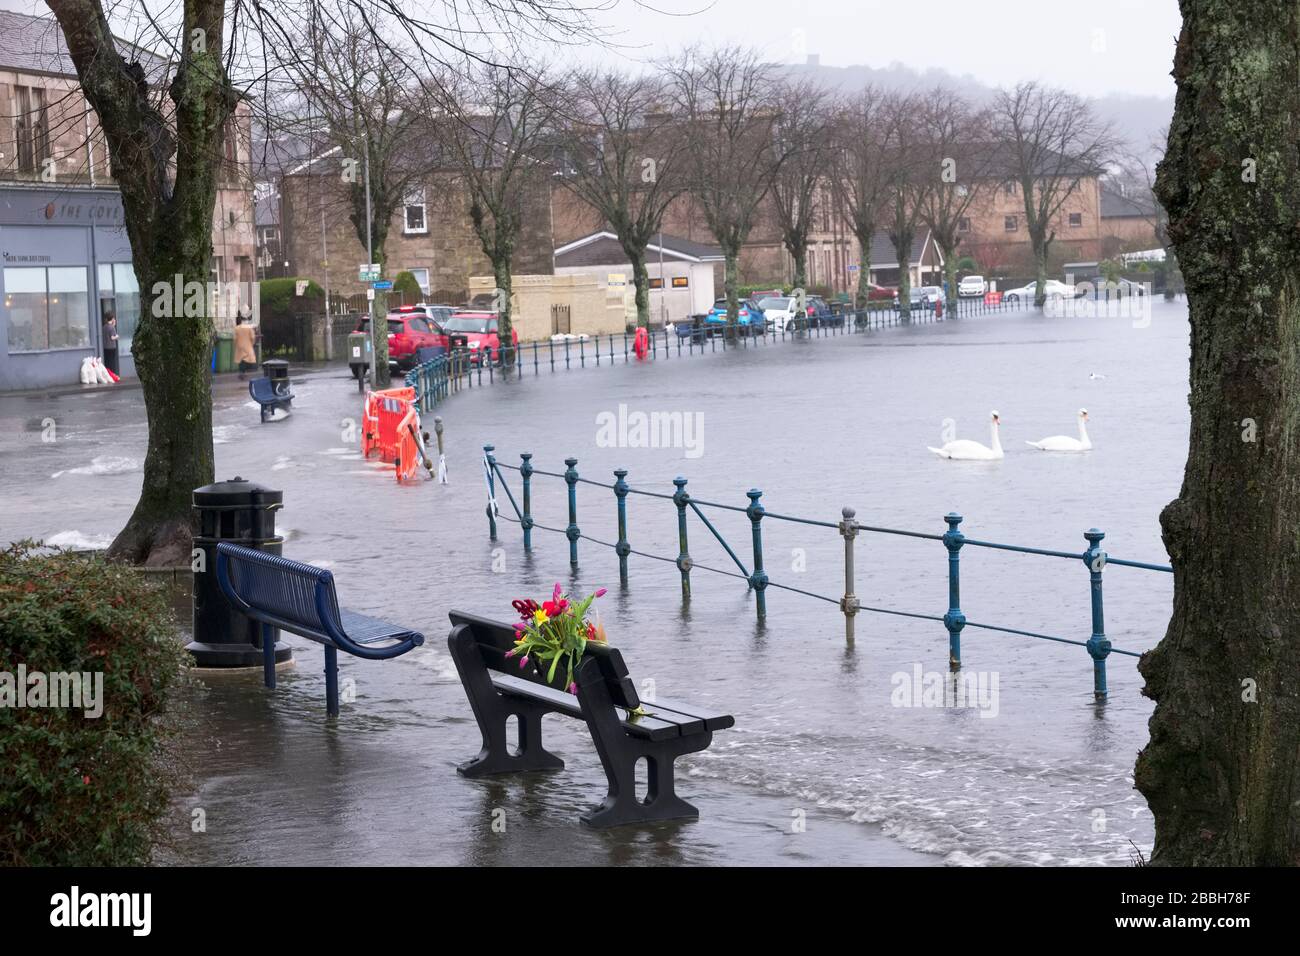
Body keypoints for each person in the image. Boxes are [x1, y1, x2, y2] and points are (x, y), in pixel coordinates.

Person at [233, 310, 258, 380]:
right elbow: (253, 337)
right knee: (248, 359)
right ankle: (243, 372)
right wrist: (252, 343)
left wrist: (235, 344)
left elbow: (235, 338)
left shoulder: (237, 328)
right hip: (248, 346)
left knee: (241, 360)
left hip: (239, 346)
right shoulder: (249, 328)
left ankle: (242, 372)